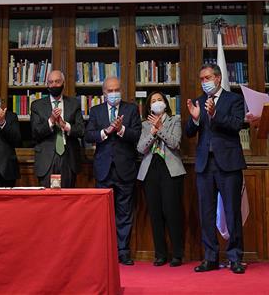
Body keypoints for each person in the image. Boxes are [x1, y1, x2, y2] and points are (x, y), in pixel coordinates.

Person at [186, 63, 246, 274]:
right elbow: (188, 133)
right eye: (202, 79)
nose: (205, 82)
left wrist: (214, 115)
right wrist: (194, 119)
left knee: (232, 213)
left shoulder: (234, 99)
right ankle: (210, 257)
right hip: (205, 164)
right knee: (207, 213)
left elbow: (237, 124)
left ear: (219, 78)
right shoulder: (198, 101)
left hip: (228, 164)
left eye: (208, 77)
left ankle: (235, 258)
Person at [84, 76, 141, 265]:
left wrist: (121, 129)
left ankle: (123, 252)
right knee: (103, 214)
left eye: (117, 90)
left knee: (124, 213)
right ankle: (105, 251)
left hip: (125, 169)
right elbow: (88, 135)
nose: (114, 93)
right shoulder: (96, 111)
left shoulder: (131, 109)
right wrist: (107, 131)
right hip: (103, 169)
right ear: (104, 93)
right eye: (110, 90)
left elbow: (137, 135)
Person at [137, 91, 186, 267]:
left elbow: (175, 143)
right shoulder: (144, 125)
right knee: (155, 214)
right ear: (149, 107)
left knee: (172, 212)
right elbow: (140, 148)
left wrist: (161, 128)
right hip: (150, 170)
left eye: (159, 100)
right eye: (153, 101)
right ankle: (160, 254)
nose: (157, 103)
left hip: (170, 170)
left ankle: (177, 254)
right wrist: (152, 132)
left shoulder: (175, 120)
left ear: (165, 103)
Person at [30, 70, 84, 188]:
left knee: (67, 199)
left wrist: (65, 126)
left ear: (63, 83)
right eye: (51, 82)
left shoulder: (74, 103)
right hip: (46, 158)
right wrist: (51, 121)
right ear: (47, 85)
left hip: (68, 157)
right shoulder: (37, 105)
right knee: (46, 201)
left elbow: (81, 130)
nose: (54, 85)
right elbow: (35, 132)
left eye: (57, 81)